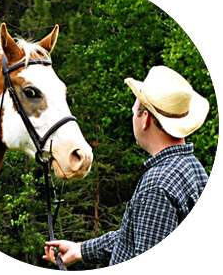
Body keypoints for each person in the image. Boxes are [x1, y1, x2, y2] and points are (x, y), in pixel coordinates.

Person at [42, 66, 210, 268]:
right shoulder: (193, 167)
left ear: (145, 119)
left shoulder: (157, 187)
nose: (133, 117)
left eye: (134, 111)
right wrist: (80, 250)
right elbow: (134, 237)